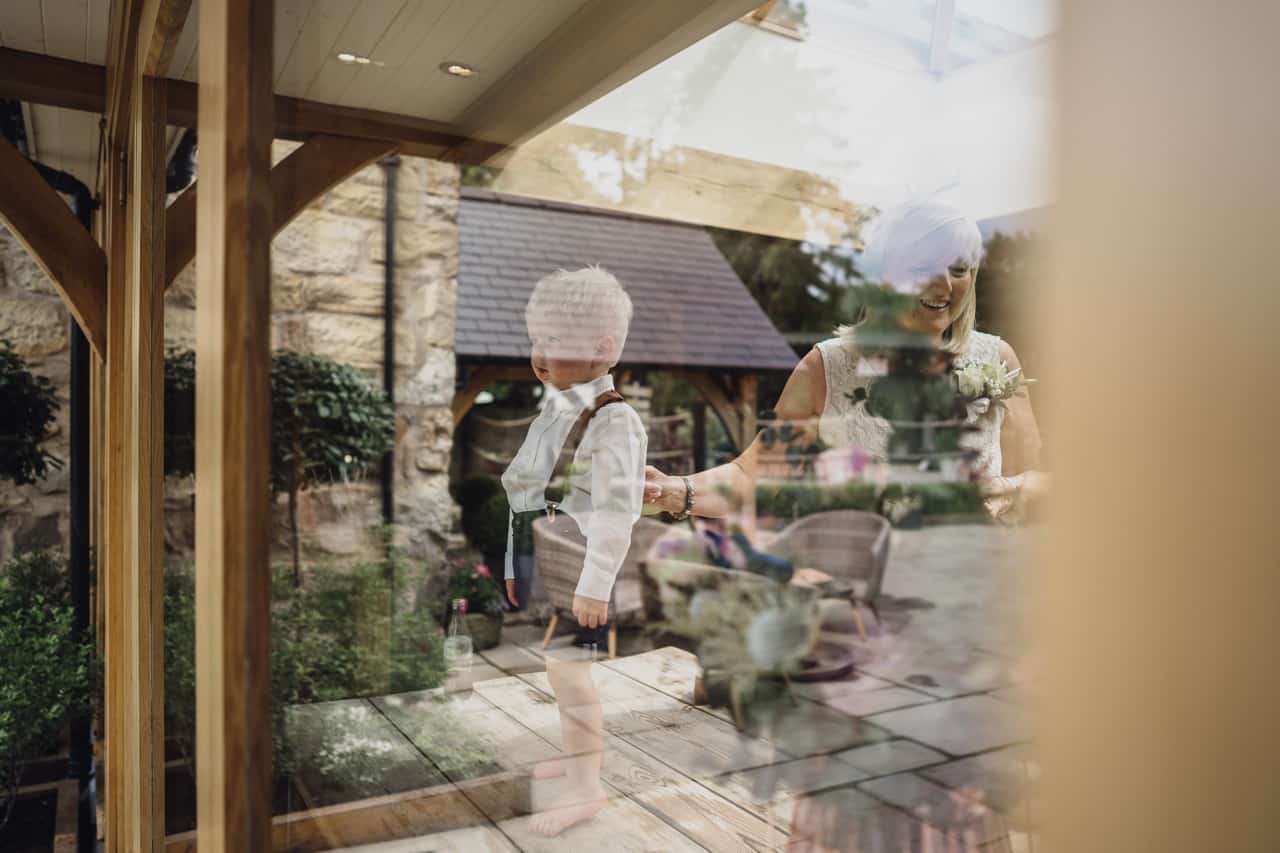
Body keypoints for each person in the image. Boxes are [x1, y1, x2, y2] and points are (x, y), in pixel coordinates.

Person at [644, 200, 1049, 520]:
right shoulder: (825, 368)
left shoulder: (996, 358)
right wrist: (675, 491)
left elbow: (1039, 478)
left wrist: (1010, 491)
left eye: (959, 268)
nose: (944, 284)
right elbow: (754, 476)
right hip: (877, 591)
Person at [499, 266, 647, 835]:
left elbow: (617, 512)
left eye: (554, 342)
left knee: (572, 673)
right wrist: (517, 562)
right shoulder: (557, 409)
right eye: (536, 339)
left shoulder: (615, 422)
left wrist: (595, 583)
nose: (539, 355)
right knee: (559, 670)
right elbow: (524, 489)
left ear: (602, 349)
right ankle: (579, 755)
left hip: (580, 567)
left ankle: (587, 785)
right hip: (551, 557)